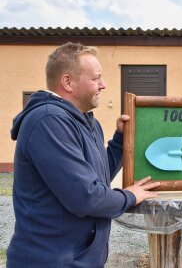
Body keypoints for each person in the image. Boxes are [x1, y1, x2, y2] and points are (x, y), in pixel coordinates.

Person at [7, 42, 160, 267]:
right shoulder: (48, 121)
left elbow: (98, 177)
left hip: (78, 259)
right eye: (96, 78)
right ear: (68, 82)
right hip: (50, 261)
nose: (103, 85)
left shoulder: (88, 123)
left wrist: (120, 140)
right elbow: (85, 197)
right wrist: (130, 196)